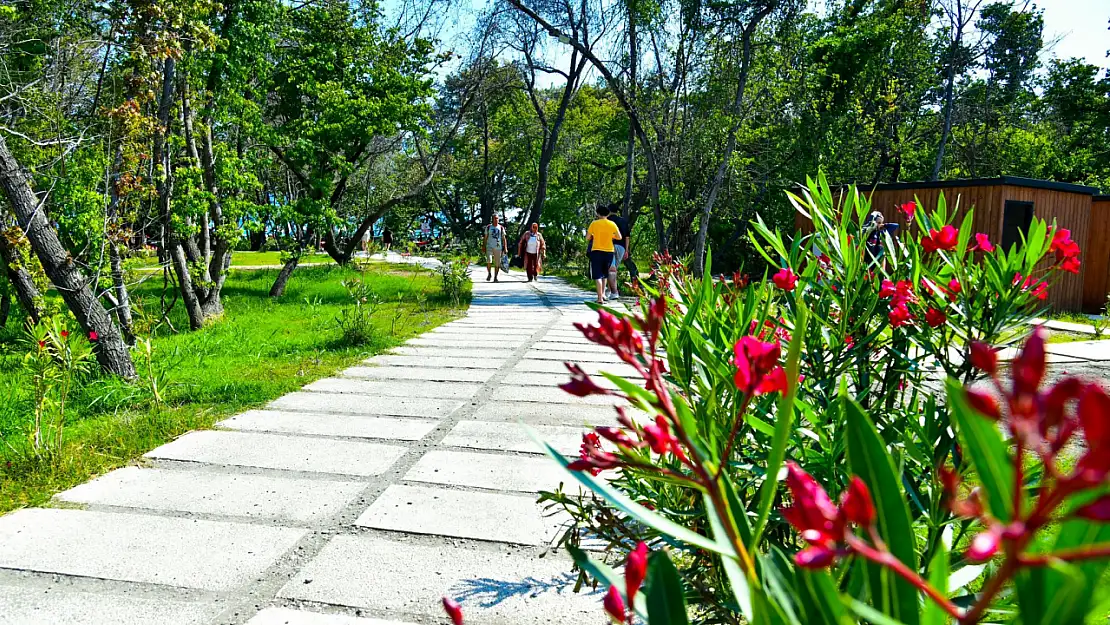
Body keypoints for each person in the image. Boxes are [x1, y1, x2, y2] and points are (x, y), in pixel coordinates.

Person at [586, 205, 623, 304]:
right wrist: (611, 236)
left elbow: (587, 237)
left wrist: (594, 236)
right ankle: (603, 294)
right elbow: (619, 237)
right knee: (604, 274)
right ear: (608, 214)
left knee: (597, 275)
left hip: (596, 250)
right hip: (609, 251)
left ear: (598, 214)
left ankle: (599, 298)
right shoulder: (612, 224)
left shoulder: (594, 223)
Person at [606, 209, 629, 299]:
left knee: (611, 270)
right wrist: (626, 250)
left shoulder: (607, 221)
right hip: (621, 247)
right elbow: (627, 237)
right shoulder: (623, 221)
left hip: (609, 246)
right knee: (613, 269)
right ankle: (609, 291)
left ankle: (613, 292)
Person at [483, 215, 508, 282]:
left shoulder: (501, 228)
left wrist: (505, 248)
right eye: (494, 218)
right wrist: (483, 246)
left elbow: (504, 238)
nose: (496, 220)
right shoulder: (488, 227)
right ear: (492, 219)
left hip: (498, 247)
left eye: (497, 218)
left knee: (497, 263)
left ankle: (495, 277)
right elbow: (485, 238)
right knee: (489, 261)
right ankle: (489, 273)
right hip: (489, 246)